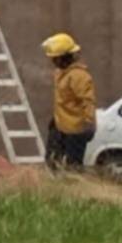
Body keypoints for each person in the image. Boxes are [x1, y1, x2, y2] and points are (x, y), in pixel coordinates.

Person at [42, 33, 96, 170]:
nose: (53, 62)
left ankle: (74, 187)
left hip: (75, 129)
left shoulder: (79, 76)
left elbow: (87, 101)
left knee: (73, 166)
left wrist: (89, 122)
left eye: (55, 59)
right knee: (52, 160)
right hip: (60, 125)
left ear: (64, 57)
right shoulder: (60, 73)